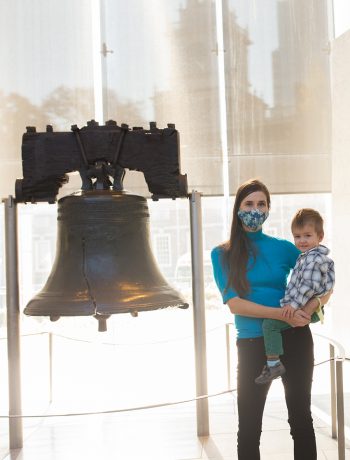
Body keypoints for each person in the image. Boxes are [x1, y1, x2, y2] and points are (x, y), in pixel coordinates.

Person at [211, 178, 331, 460]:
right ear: (238, 208)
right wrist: (281, 314)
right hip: (253, 345)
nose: (256, 209)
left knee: (301, 420)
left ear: (268, 209)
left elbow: (325, 284)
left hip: (295, 340)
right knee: (249, 427)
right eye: (249, 204)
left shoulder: (284, 248)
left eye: (261, 204)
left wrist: (309, 308)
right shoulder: (222, 254)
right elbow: (235, 304)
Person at [255, 208, 335, 385]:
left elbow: (307, 285)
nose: (302, 241)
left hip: (302, 307)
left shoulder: (313, 259)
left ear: (320, 236)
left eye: (307, 235)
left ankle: (273, 363)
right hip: (303, 305)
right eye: (297, 237)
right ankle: (275, 362)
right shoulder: (307, 257)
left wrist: (293, 306)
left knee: (269, 325)